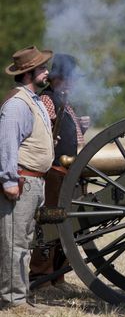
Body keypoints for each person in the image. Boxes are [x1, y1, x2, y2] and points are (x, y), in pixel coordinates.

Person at [29, 53, 90, 292]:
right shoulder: (47, 100)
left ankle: (59, 277)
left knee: (67, 226)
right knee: (50, 223)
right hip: (54, 172)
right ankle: (41, 277)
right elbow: (42, 132)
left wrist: (80, 128)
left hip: (68, 172)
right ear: (60, 79)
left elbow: (70, 136)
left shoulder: (66, 102)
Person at [0, 46, 54, 312]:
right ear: (28, 73)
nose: (47, 72)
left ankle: (19, 295)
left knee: (25, 241)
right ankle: (13, 301)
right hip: (21, 179)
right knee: (15, 241)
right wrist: (9, 179)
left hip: (35, 181)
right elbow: (7, 144)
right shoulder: (17, 105)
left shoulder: (32, 100)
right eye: (43, 68)